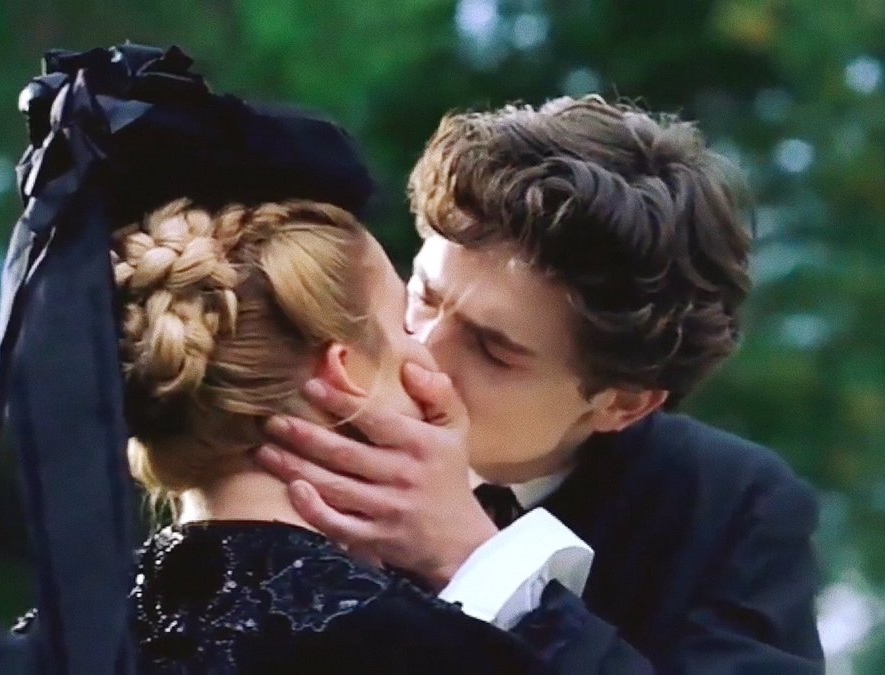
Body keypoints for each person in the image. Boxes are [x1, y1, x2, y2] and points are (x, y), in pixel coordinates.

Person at [256, 97, 826, 673]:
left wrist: (474, 560)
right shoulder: (302, 401)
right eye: (423, 295)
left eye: (493, 351)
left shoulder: (733, 508)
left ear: (624, 403)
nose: (420, 352)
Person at [115, 198, 547, 674]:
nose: (431, 359)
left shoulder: (85, 626)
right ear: (345, 372)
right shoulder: (430, 651)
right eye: (405, 326)